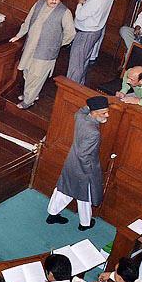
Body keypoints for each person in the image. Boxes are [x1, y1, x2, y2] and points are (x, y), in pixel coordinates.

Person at [46, 95, 110, 230]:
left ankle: (52, 214)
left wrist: (91, 105)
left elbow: (81, 111)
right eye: (103, 112)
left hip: (71, 162)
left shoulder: (81, 118)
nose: (107, 115)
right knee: (84, 196)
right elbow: (83, 154)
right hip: (84, 168)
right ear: (94, 112)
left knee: (63, 189)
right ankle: (85, 224)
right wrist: (90, 172)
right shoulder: (94, 132)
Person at [11, 0, 75, 109]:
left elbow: (71, 33)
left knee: (36, 76)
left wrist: (56, 44)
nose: (54, 2)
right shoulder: (39, 3)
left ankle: (28, 101)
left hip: (45, 52)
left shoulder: (64, 12)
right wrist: (19, 35)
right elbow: (28, 21)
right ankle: (31, 94)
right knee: (27, 72)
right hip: (30, 47)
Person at [66, 0, 114, 85]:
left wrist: (80, 3)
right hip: (95, 32)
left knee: (76, 63)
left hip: (85, 34)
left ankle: (70, 87)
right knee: (83, 61)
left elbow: (80, 15)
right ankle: (79, 84)